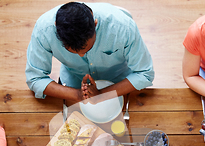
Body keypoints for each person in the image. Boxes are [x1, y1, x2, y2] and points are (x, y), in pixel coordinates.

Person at [26, 2, 154, 103]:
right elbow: (35, 78)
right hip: (74, 83)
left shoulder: (123, 28)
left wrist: (102, 95)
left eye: (86, 48)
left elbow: (144, 74)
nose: (81, 55)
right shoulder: (44, 30)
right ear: (56, 28)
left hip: (119, 83)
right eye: (73, 51)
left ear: (95, 24)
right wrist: (77, 94)